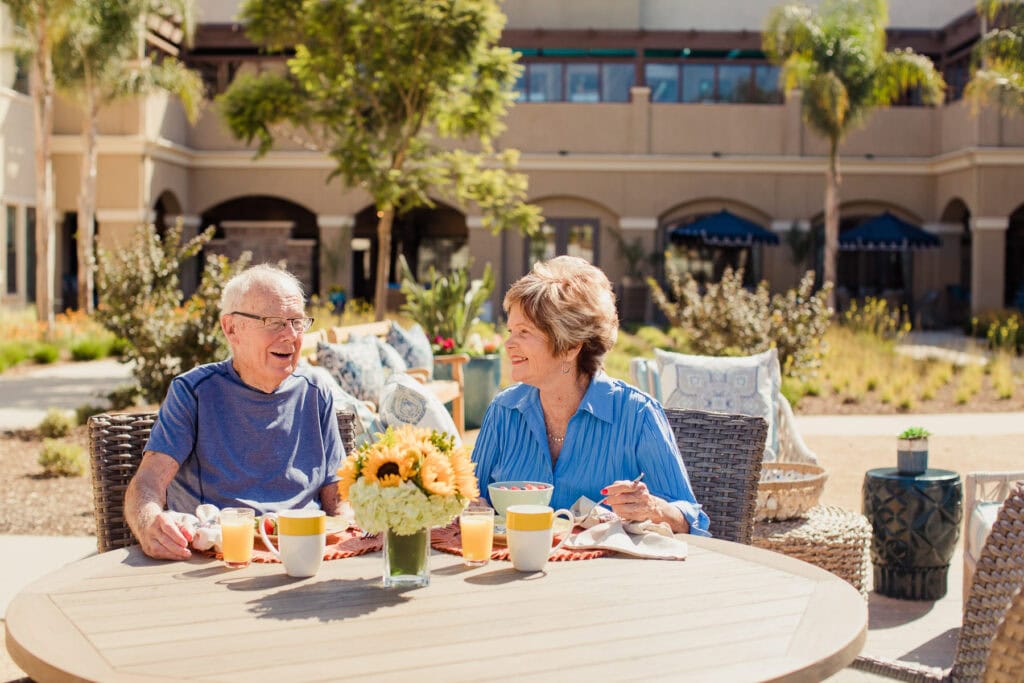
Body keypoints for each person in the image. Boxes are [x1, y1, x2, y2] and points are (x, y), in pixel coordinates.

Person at [472, 256, 710, 535]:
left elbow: (692, 520)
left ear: (571, 346)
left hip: (606, 574)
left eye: (524, 332)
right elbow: (471, 499)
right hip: (518, 569)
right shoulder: (503, 411)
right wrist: (467, 504)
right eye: (510, 331)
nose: (509, 343)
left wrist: (653, 508)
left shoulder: (637, 414)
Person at [126, 264, 345, 560]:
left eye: (296, 321)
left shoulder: (316, 391)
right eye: (274, 322)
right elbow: (148, 482)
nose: (290, 335)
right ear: (230, 328)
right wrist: (149, 521)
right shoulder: (194, 393)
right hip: (219, 558)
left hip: (304, 552)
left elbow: (338, 496)